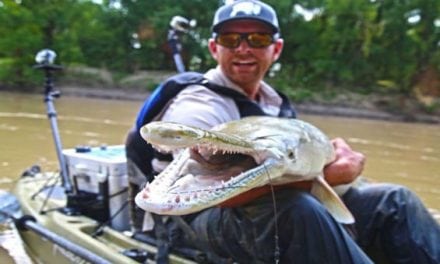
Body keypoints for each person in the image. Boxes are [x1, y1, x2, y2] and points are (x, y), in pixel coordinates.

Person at [125, 0, 440, 263]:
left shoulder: (274, 102)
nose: (244, 49)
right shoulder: (198, 102)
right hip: (191, 220)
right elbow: (204, 188)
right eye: (231, 39)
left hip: (254, 206)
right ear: (213, 47)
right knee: (295, 211)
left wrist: (326, 166)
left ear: (276, 49)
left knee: (394, 201)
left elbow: (287, 161)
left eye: (258, 39)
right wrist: (329, 176)